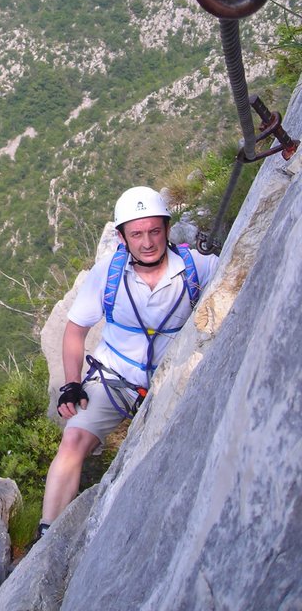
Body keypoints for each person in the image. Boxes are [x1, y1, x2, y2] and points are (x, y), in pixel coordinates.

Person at [35, 185, 219, 540]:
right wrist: (72, 384)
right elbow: (75, 330)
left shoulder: (197, 267)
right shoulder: (109, 273)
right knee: (73, 442)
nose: (147, 242)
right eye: (137, 234)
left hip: (171, 380)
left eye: (154, 231)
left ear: (167, 229)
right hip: (113, 377)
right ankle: (47, 536)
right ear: (122, 237)